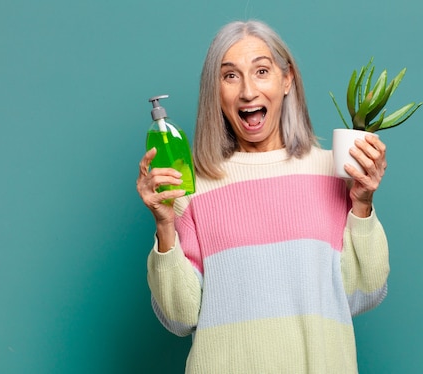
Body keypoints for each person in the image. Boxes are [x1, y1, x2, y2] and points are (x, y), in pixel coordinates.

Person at [136, 19, 390, 373]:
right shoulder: (191, 187)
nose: (248, 92)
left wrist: (362, 203)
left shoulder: (332, 170)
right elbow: (180, 317)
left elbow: (363, 293)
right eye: (230, 76)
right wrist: (164, 225)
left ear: (287, 80)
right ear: (216, 91)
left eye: (261, 71)